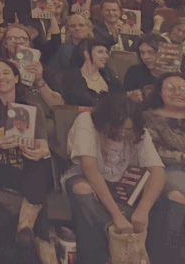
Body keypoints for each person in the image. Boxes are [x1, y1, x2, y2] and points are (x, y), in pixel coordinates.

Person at [62, 94, 167, 264]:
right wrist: (117, 215)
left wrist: (143, 209)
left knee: (168, 198)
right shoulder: (87, 120)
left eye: (128, 130)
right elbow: (90, 168)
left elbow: (158, 172)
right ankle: (97, 259)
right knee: (82, 189)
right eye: (118, 127)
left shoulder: (139, 132)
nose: (123, 133)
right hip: (85, 177)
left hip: (122, 183)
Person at [0, 59, 52, 247]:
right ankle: (40, 243)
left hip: (26, 164)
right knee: (38, 189)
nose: (1, 77)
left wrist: (39, 153)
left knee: (40, 164)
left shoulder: (33, 108)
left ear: (16, 78)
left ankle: (25, 230)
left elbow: (44, 147)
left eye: (6, 73)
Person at [142, 72, 185, 258]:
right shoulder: (148, 117)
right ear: (159, 92)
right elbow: (149, 150)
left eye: (182, 88)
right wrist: (180, 156)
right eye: (170, 88)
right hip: (163, 169)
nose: (177, 92)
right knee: (177, 197)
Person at [62, 37, 125, 106]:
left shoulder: (110, 79)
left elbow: (122, 102)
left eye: (106, 52)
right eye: (100, 52)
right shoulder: (71, 79)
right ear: (87, 54)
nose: (106, 56)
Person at [125, 33, 166, 101]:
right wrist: (130, 97)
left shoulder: (174, 74)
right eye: (142, 52)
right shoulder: (134, 72)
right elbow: (122, 99)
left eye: (151, 52)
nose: (145, 57)